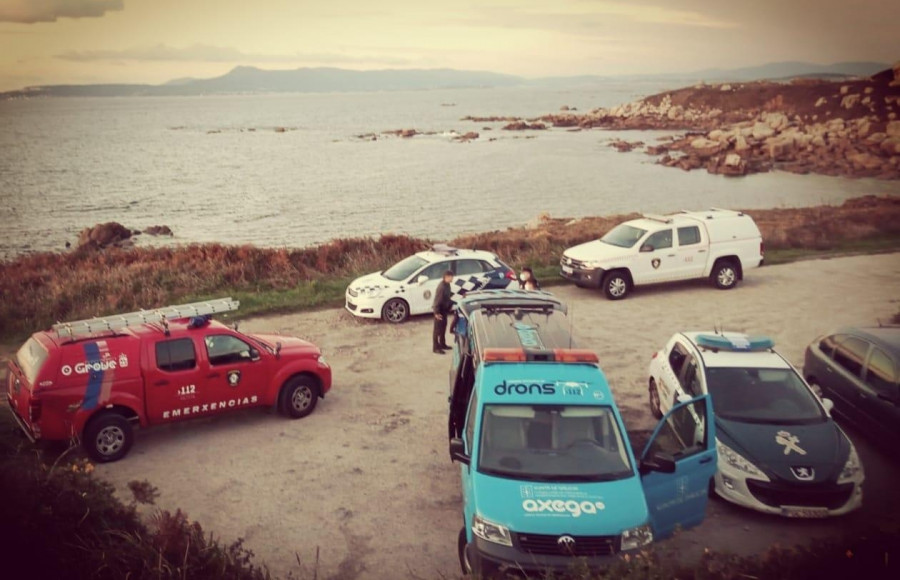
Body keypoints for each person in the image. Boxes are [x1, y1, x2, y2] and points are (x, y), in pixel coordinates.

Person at [432, 270, 454, 354]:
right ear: (446, 277)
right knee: (437, 330)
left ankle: (442, 344)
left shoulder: (447, 285)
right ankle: (435, 347)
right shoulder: (441, 287)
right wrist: (436, 313)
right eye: (451, 277)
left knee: (443, 328)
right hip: (439, 311)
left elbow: (447, 295)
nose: (452, 278)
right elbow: (437, 300)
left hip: (444, 310)